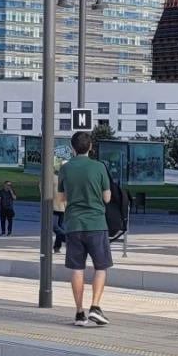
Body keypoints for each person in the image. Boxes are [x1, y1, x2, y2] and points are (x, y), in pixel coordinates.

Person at [58, 132, 113, 327]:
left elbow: (62, 198)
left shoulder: (66, 169)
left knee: (77, 269)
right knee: (101, 267)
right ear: (90, 147)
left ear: (73, 148)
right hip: (96, 224)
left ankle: (79, 313)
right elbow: (107, 198)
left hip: (73, 225)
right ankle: (95, 307)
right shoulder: (99, 167)